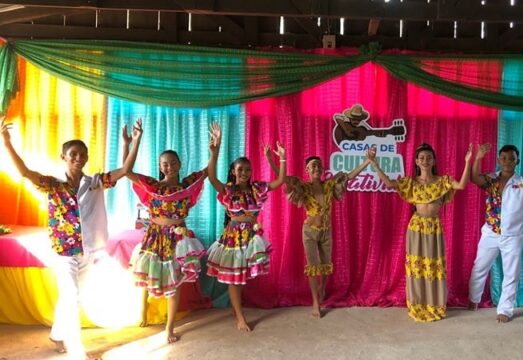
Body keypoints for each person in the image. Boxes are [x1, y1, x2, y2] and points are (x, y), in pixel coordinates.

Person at [0, 116, 143, 360]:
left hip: (90, 251)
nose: (78, 158)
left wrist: (134, 142)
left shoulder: (96, 183)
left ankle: (57, 335)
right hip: (65, 251)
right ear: (63, 157)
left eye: (82, 154)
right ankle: (77, 349)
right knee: (71, 295)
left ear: (87, 157)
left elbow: (124, 171)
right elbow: (24, 172)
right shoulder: (53, 185)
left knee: (73, 295)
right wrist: (6, 141)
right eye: (73, 154)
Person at [368, 143, 472, 322]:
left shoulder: (442, 181)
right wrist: (374, 163)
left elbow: (461, 185)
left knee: (434, 266)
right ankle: (418, 304)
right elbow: (389, 183)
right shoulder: (411, 182)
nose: (425, 161)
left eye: (429, 158)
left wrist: (468, 162)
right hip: (416, 227)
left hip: (434, 227)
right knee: (417, 267)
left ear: (434, 161)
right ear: (416, 161)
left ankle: (434, 304)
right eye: (422, 158)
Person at [206, 121, 286, 331]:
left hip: (250, 237)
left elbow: (280, 180)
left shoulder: (257, 188)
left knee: (241, 277)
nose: (244, 172)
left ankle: (237, 310)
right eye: (240, 169)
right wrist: (215, 152)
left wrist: (281, 158)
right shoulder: (228, 190)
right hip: (233, 237)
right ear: (233, 171)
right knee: (234, 277)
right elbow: (212, 177)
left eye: (248, 169)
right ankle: (240, 317)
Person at [126, 147, 208, 343]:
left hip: (177, 237)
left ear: (179, 165)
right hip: (154, 235)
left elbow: (207, 172)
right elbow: (127, 171)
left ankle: (169, 328)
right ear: (160, 167)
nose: (169, 167)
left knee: (175, 280)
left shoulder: (186, 185)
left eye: (173, 163)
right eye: (165, 164)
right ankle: (143, 310)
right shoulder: (153, 185)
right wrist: (130, 143)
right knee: (149, 272)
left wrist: (214, 149)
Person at [466, 140, 523, 323]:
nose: (507, 161)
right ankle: (474, 299)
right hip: (490, 233)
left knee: (511, 273)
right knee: (479, 268)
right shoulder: (491, 179)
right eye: (503, 158)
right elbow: (474, 178)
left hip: (513, 236)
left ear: (517, 161)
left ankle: (505, 309)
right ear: (498, 160)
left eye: (511, 159)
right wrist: (478, 158)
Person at [284, 153, 371, 318]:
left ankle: (322, 287)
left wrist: (367, 161)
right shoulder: (304, 187)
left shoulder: (330, 185)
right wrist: (277, 161)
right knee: (312, 266)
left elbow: (350, 176)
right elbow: (285, 180)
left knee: (325, 265)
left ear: (322, 169)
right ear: (307, 170)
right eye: (313, 166)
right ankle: (315, 302)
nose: (316, 168)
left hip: (326, 230)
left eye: (319, 165)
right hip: (309, 231)